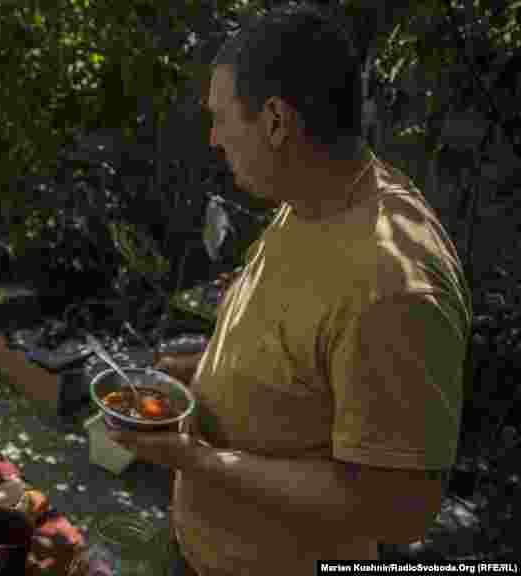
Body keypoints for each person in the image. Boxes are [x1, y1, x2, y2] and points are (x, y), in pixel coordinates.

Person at [111, 4, 472, 575]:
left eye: (221, 117)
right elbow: (301, 353)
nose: (212, 137)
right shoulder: (310, 201)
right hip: (202, 547)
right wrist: (197, 371)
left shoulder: (393, 284)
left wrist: (198, 460)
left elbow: (399, 509)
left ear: (276, 121)